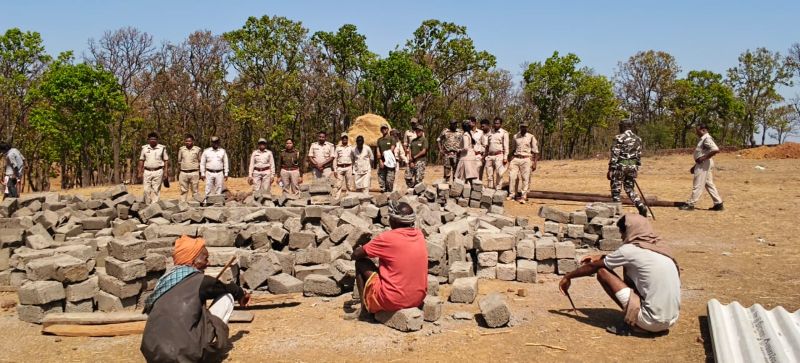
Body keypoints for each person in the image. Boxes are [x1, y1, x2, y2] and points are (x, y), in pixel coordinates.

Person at [559, 214, 681, 335]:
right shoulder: (660, 247)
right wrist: (600, 257)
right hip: (670, 321)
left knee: (602, 272)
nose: (622, 237)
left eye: (623, 233)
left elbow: (594, 267)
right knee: (627, 267)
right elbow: (628, 258)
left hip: (650, 322)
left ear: (630, 231)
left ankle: (636, 325)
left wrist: (568, 277)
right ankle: (643, 320)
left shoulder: (629, 250)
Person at [141, 235, 251, 362]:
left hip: (152, 353)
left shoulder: (164, 282)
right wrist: (242, 295)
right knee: (227, 297)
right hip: (185, 355)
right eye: (205, 258)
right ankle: (207, 347)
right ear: (193, 260)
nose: (208, 263)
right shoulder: (201, 281)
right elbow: (230, 289)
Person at [352, 201, 428, 316]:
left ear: (393, 220)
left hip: (392, 300)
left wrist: (360, 247)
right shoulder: (419, 235)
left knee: (361, 263)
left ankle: (364, 311)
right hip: (417, 299)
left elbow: (356, 255)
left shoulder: (386, 238)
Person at [608, 119, 647, 216]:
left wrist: (611, 169)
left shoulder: (619, 138)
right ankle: (640, 205)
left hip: (620, 166)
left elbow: (615, 154)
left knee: (616, 189)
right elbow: (639, 155)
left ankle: (617, 212)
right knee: (629, 188)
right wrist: (636, 168)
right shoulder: (638, 139)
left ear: (623, 127)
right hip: (632, 166)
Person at [679, 123, 723, 211]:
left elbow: (715, 149)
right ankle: (718, 203)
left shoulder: (706, 138)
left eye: (697, 131)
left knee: (698, 184)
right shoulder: (703, 139)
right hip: (703, 163)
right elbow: (702, 154)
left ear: (703, 130)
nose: (696, 132)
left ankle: (691, 204)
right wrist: (695, 166)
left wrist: (703, 158)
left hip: (704, 164)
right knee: (709, 184)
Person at [508, 122, 539, 204]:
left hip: (526, 159)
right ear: (520, 127)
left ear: (527, 127)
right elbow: (513, 149)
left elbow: (535, 151)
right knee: (512, 176)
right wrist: (509, 159)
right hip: (516, 158)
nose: (524, 128)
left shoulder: (531, 137)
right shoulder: (515, 136)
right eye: (522, 127)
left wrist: (535, 163)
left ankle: (523, 195)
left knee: (525, 178)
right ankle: (512, 194)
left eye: (525, 127)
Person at [138, 132, 170, 204]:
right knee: (146, 190)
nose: (152, 140)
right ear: (148, 140)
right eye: (151, 139)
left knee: (156, 190)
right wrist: (140, 172)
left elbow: (166, 160)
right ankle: (147, 205)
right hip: (147, 171)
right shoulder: (144, 148)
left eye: (154, 139)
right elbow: (141, 160)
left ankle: (154, 206)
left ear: (157, 140)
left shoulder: (162, 148)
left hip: (158, 171)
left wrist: (165, 172)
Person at [484, 117, 510, 190]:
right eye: (495, 123)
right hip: (490, 156)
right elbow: (487, 146)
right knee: (489, 174)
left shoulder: (504, 133)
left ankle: (498, 189)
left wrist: (505, 158)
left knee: (499, 174)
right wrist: (485, 156)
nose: (496, 125)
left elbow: (506, 146)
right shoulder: (490, 132)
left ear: (501, 124)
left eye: (497, 123)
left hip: (499, 155)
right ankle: (490, 189)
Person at [177, 134, 201, 203]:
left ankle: (195, 204)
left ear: (193, 141)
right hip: (184, 172)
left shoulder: (197, 149)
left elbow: (200, 160)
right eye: (186, 141)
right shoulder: (181, 149)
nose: (188, 142)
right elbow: (179, 160)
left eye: (189, 141)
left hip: (194, 172)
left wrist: (200, 172)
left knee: (195, 190)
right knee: (183, 190)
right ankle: (182, 204)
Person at [376, 123, 397, 192]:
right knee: (382, 182)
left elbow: (392, 149)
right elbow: (378, 152)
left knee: (389, 181)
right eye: (382, 128)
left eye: (385, 128)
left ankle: (390, 195)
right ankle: (383, 197)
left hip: (390, 162)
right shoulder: (379, 140)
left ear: (388, 129)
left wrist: (385, 154)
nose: (384, 130)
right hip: (382, 162)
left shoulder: (392, 139)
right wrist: (380, 161)